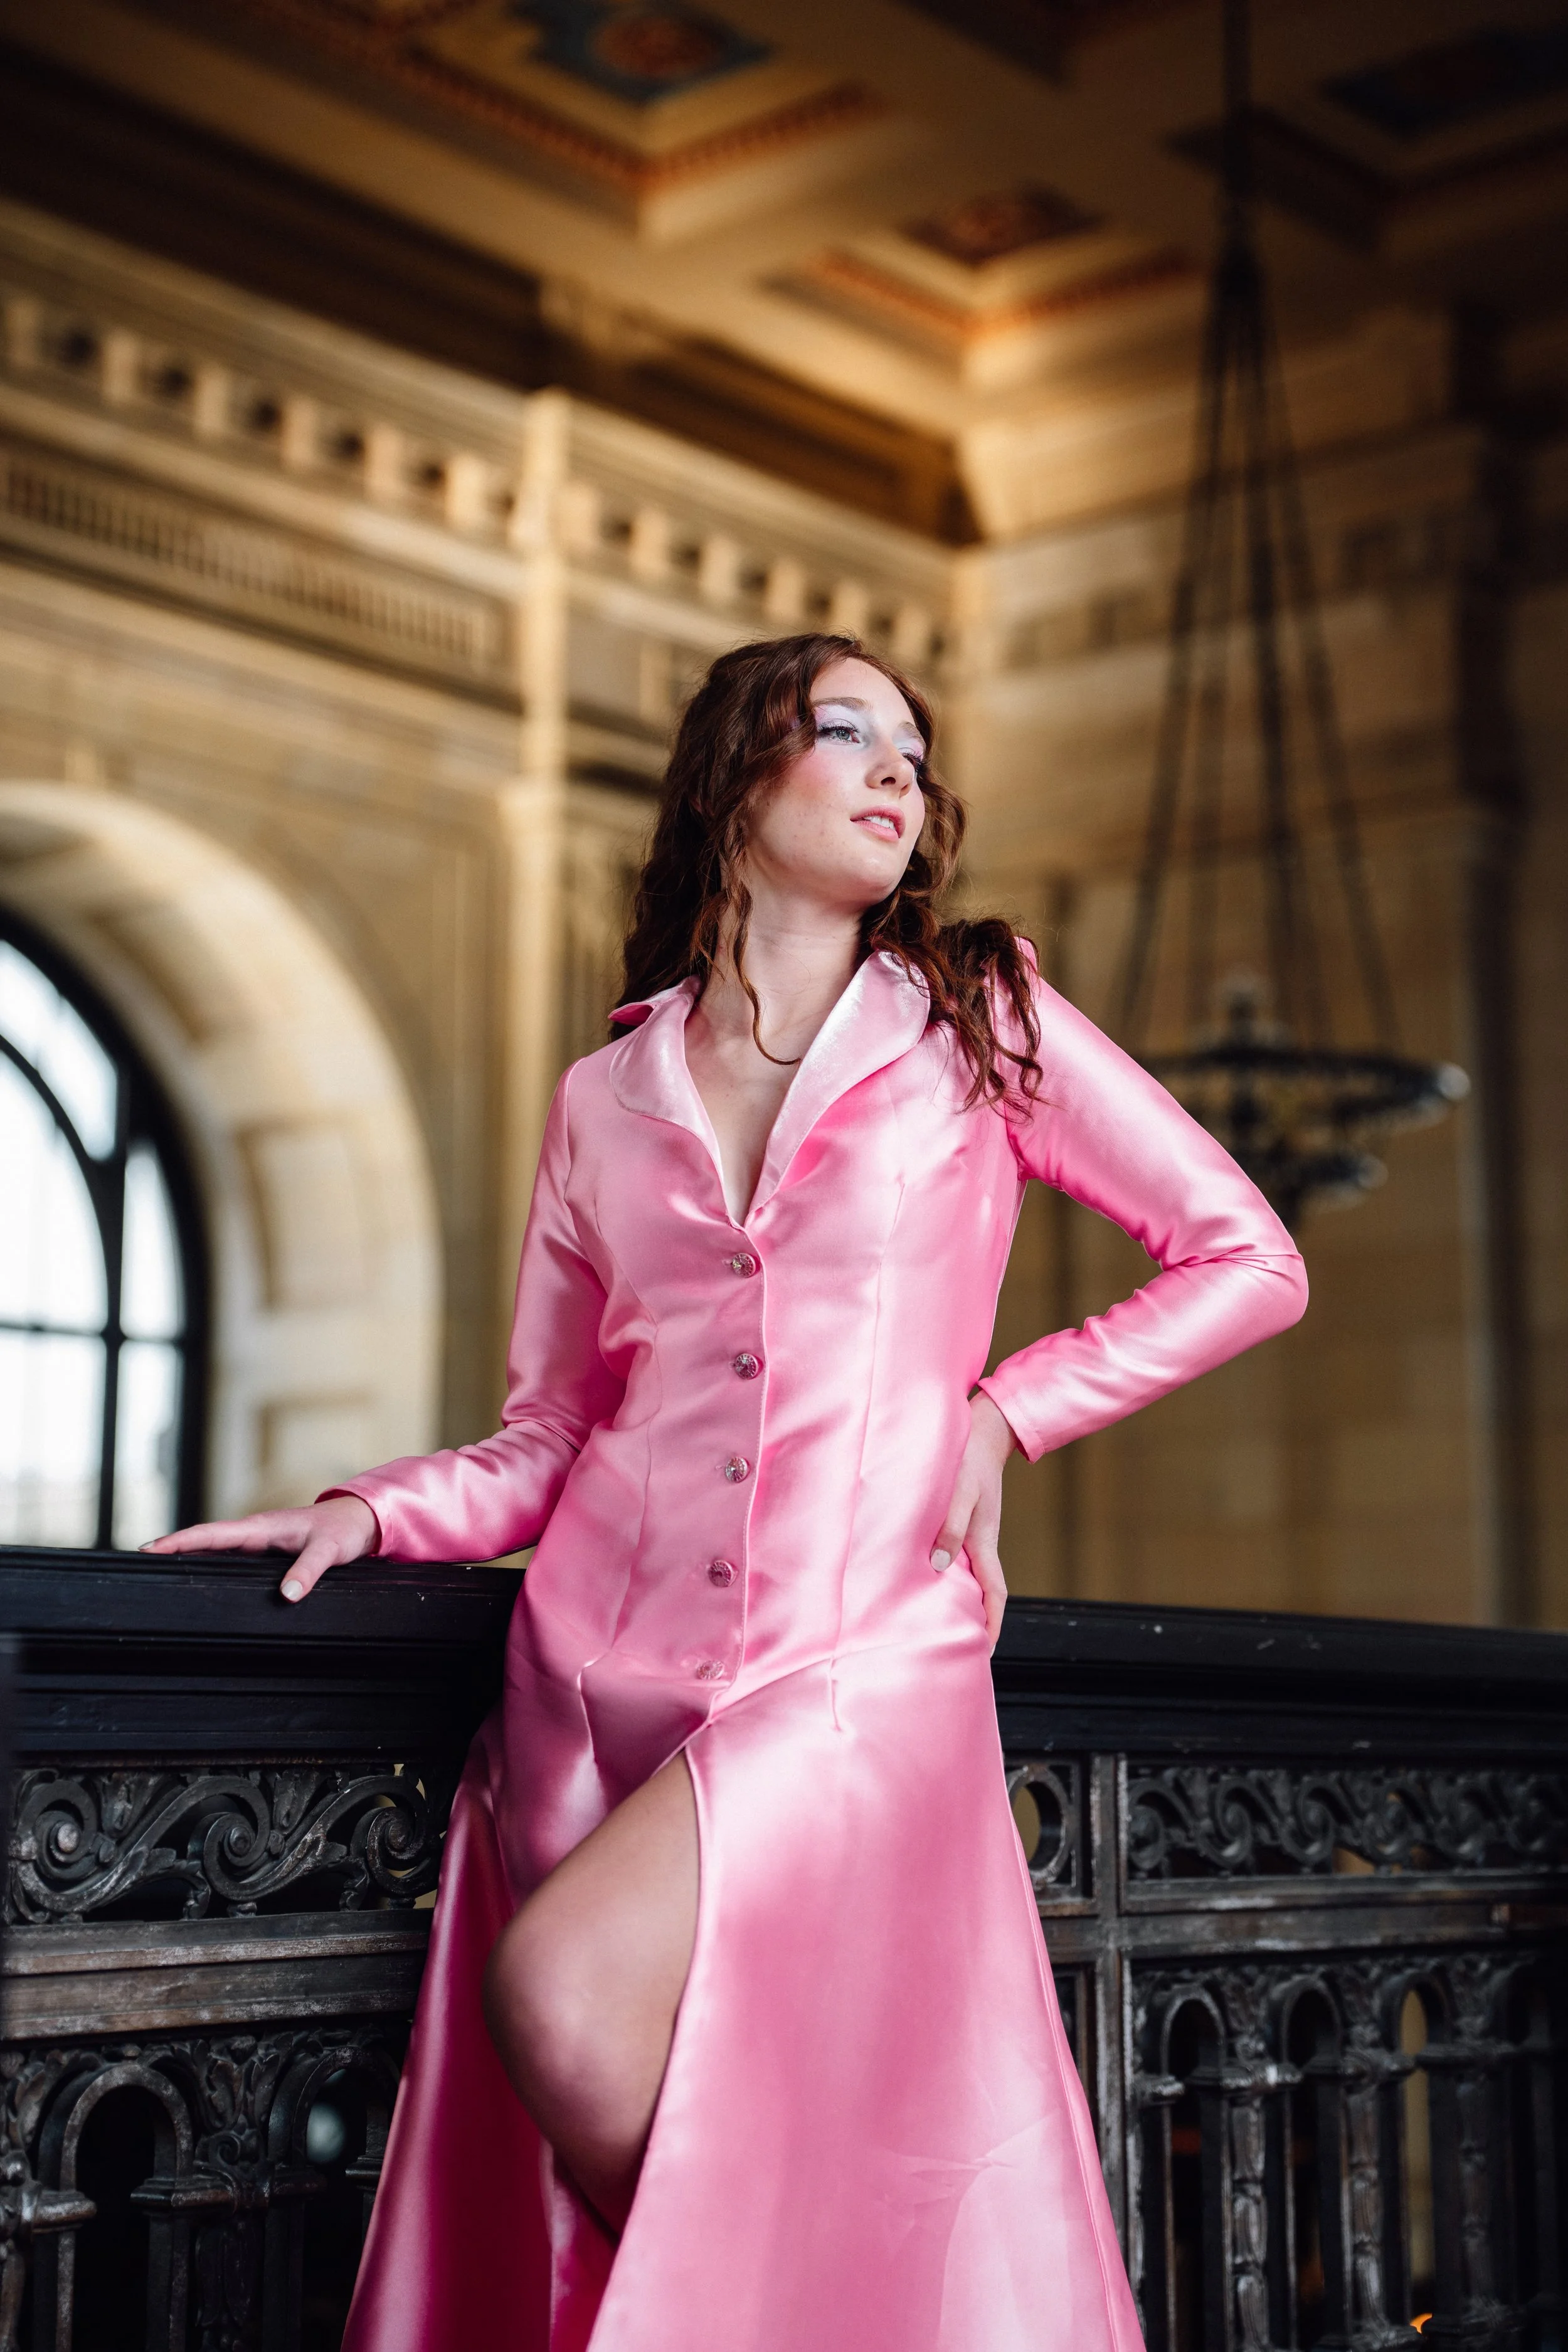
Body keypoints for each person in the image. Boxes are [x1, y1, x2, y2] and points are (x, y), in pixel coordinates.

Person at [149, 632, 1308, 2351]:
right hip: (586, 1682)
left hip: (852, 1667)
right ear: (733, 775)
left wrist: (1003, 1410)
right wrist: (378, 1512)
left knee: (557, 1998)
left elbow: (1245, 1256)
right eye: (842, 729)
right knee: (617, 2107)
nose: (893, 767)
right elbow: (550, 1428)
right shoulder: (601, 1096)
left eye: (912, 743)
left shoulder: (977, 1021)